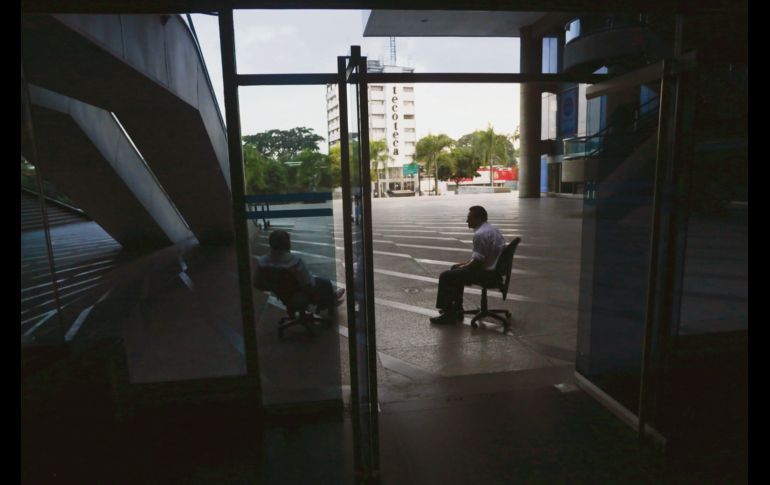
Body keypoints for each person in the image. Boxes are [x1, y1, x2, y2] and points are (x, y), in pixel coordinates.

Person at [430, 206, 506, 325]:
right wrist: (463, 265)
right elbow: (480, 258)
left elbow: (477, 262)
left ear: (479, 219)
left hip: (487, 273)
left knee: (446, 276)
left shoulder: (480, 234)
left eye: (469, 218)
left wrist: (464, 267)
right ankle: (455, 309)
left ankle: (450, 314)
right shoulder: (492, 229)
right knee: (455, 269)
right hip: (495, 270)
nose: (467, 221)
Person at [254, 230, 344, 313]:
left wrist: (276, 288)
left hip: (283, 296)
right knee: (326, 283)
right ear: (287, 244)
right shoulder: (294, 261)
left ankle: (329, 299)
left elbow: (258, 284)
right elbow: (307, 284)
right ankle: (330, 302)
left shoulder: (263, 262)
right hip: (299, 294)